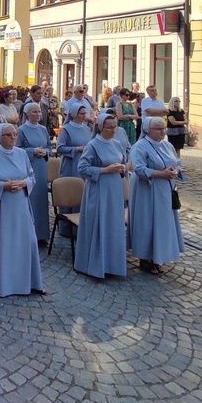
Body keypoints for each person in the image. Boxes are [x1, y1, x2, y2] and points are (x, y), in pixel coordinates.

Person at [0, 123, 45, 297]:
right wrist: (2, 186)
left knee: (27, 241)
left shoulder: (21, 154)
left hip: (20, 205)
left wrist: (24, 183)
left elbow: (31, 176)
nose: (13, 138)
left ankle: (26, 280)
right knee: (1, 242)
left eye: (15, 135)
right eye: (9, 135)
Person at [74, 112, 128, 279]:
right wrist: (105, 170)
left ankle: (112, 264)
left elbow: (124, 162)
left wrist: (123, 168)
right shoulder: (93, 145)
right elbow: (82, 168)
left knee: (113, 225)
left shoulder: (118, 144)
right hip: (98, 190)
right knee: (99, 224)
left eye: (114, 127)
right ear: (100, 127)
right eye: (109, 127)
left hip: (115, 190)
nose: (113, 130)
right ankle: (95, 264)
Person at [129, 117, 184, 275]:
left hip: (165, 192)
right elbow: (139, 169)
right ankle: (146, 258)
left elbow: (177, 163)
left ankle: (160, 255)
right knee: (148, 223)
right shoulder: (139, 146)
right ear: (148, 129)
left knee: (162, 224)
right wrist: (161, 174)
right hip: (147, 192)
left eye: (164, 128)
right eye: (159, 129)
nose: (163, 131)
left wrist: (176, 171)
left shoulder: (167, 145)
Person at [16, 103, 51, 245]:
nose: (38, 114)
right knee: (30, 199)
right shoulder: (21, 130)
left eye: (39, 112)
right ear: (27, 114)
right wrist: (32, 151)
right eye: (34, 112)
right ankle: (29, 234)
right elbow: (17, 149)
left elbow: (49, 146)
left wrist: (46, 152)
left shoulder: (43, 129)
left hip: (42, 167)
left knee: (42, 199)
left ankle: (41, 234)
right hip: (28, 166)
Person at [55, 103, 92, 236]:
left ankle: (79, 228)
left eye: (84, 113)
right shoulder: (66, 129)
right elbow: (59, 148)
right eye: (81, 113)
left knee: (81, 194)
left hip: (83, 164)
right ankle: (66, 228)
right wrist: (76, 149)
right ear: (74, 114)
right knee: (70, 194)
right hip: (71, 165)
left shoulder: (87, 129)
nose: (84, 116)